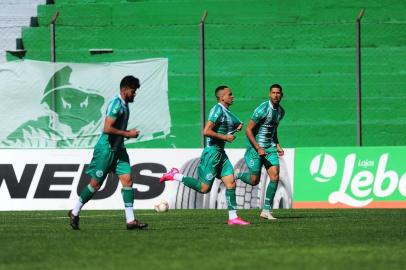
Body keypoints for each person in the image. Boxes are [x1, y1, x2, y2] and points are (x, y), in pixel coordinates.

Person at [160, 85, 250, 225]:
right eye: (230, 94)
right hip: (212, 153)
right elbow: (206, 131)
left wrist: (233, 130)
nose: (232, 96)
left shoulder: (226, 111)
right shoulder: (217, 110)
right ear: (222, 97)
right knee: (204, 188)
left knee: (230, 182)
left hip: (221, 153)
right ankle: (174, 175)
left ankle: (233, 218)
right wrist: (226, 138)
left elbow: (223, 129)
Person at [68, 75, 148, 230]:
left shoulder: (124, 104)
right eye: (133, 91)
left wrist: (124, 136)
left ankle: (130, 220)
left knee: (128, 181)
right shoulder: (116, 105)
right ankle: (75, 212)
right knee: (95, 185)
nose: (135, 94)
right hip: (106, 150)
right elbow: (107, 128)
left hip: (119, 150)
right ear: (124, 91)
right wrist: (127, 134)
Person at [235, 84, 285, 220]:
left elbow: (273, 130)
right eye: (273, 93)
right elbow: (248, 130)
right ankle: (238, 175)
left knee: (275, 176)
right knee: (254, 180)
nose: (275, 95)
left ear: (282, 95)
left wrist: (278, 145)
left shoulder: (281, 112)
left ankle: (266, 210)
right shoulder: (263, 109)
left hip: (270, 148)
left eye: (278, 93)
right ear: (269, 94)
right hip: (255, 148)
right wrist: (258, 147)